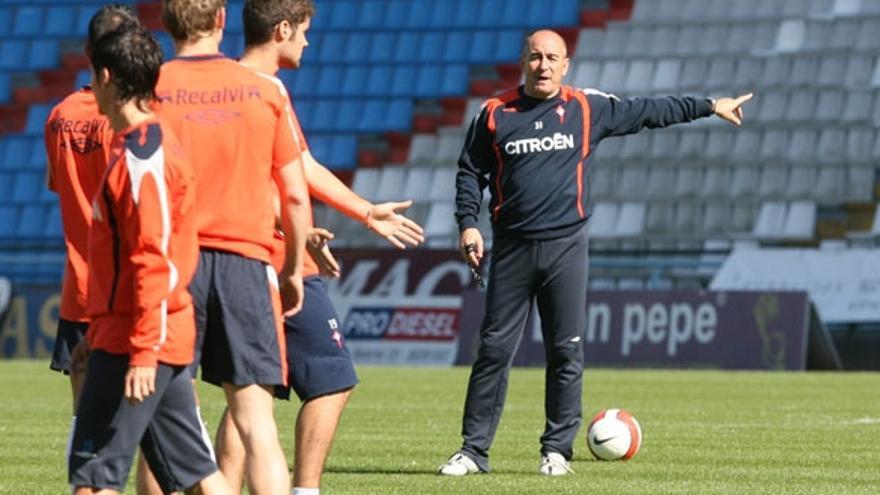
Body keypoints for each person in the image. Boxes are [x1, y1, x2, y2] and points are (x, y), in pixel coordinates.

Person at [439, 29, 753, 476]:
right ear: (522, 62)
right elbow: (470, 172)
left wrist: (710, 104)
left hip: (567, 248)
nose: (543, 65)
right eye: (535, 57)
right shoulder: (494, 113)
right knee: (493, 350)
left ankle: (556, 451)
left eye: (552, 57)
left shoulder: (587, 108)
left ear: (566, 65)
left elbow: (649, 112)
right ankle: (473, 451)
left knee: (565, 351)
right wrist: (468, 224)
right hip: (511, 249)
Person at [212, 1, 425, 494]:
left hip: (245, 256)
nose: (307, 42)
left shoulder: (232, 88)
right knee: (331, 377)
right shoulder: (264, 91)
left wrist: (365, 212)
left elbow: (296, 165)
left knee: (251, 388)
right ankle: (304, 490)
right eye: (304, 32)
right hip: (275, 257)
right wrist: (294, 234)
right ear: (283, 29)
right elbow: (283, 180)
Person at [66, 24, 232, 495]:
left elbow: (153, 257)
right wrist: (97, 333)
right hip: (142, 336)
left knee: (94, 479)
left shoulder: (142, 158)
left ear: (105, 76)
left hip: (140, 341)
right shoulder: (141, 147)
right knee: (198, 475)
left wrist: (140, 350)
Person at [154, 0, 312, 492]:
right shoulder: (265, 90)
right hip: (246, 262)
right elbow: (294, 194)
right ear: (221, 21)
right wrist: (290, 268)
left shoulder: (152, 88)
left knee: (161, 412)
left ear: (166, 24)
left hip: (176, 264)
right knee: (256, 421)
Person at [44, 1, 137, 419]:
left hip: (79, 287)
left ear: (88, 52)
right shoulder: (127, 117)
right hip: (128, 283)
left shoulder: (59, 115)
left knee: (87, 423)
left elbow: (56, 183)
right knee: (157, 420)